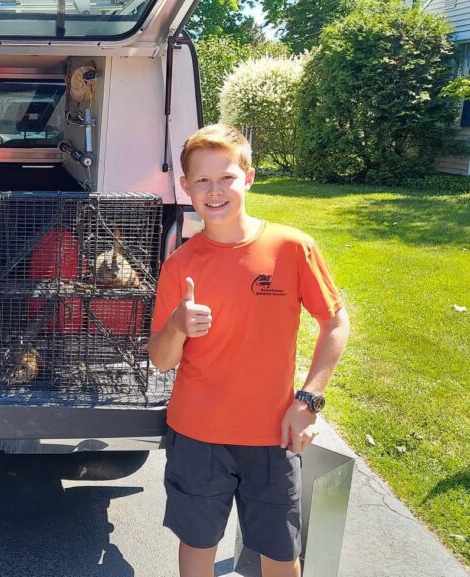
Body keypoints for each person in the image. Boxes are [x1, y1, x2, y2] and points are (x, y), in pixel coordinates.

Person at [148, 124, 350, 577]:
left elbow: (335, 322)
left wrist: (309, 399)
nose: (214, 191)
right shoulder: (180, 265)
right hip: (197, 436)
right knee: (198, 542)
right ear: (186, 187)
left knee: (280, 552)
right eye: (202, 180)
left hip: (272, 435)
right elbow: (161, 359)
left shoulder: (292, 248)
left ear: (250, 178)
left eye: (227, 178)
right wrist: (179, 325)